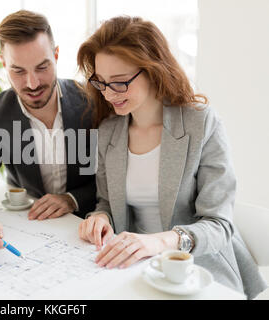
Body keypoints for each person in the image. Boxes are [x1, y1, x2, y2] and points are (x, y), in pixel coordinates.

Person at [76, 15, 266, 299]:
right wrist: (101, 216)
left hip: (198, 271)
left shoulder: (201, 124)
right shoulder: (108, 132)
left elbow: (219, 225)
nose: (108, 94)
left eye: (119, 82)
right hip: (136, 269)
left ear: (152, 71)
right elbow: (106, 200)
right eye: (101, 82)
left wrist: (162, 242)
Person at [0, 10, 96, 266]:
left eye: (42, 68)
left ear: (56, 55)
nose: (32, 83)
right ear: (4, 63)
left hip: (90, 233)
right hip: (32, 234)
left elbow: (118, 179)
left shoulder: (94, 102)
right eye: (18, 71)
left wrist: (72, 199)